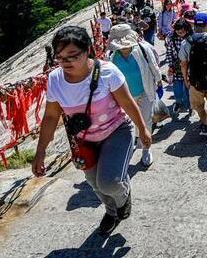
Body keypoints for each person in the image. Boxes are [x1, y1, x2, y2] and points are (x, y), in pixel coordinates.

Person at [34, 26, 151, 235]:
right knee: (95, 184)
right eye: (60, 58)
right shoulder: (55, 79)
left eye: (72, 56)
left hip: (116, 130)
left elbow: (127, 102)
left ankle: (123, 198)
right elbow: (51, 115)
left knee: (110, 182)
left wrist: (143, 129)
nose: (66, 62)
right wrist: (40, 151)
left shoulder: (107, 72)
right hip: (84, 139)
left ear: (87, 49)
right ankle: (111, 212)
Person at [107, 24, 163, 167]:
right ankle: (137, 140)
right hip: (125, 97)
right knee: (130, 122)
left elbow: (153, 65)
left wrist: (158, 81)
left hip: (145, 90)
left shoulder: (143, 49)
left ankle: (146, 148)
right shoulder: (111, 57)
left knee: (145, 119)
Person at [178, 13, 207, 137]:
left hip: (195, 80)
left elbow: (183, 63)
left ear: (194, 25)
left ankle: (204, 122)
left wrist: (186, 79)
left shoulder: (186, 42)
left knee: (198, 105)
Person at [164, 18, 191, 115]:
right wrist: (171, 66)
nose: (180, 34)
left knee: (189, 87)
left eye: (182, 32)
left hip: (189, 67)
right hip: (177, 67)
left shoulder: (191, 38)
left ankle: (190, 105)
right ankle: (178, 102)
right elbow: (169, 53)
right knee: (177, 86)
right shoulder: (171, 38)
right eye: (178, 32)